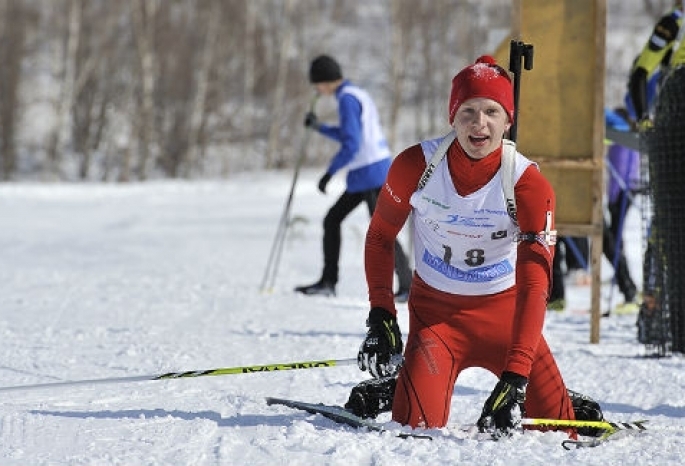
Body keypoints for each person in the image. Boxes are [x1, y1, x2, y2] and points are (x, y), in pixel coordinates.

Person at [344, 56, 602, 438]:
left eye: (491, 111)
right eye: (467, 111)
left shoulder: (528, 184)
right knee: (415, 428)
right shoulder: (416, 165)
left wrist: (515, 377)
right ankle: (394, 389)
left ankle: (546, 393)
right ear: (452, 116)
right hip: (437, 317)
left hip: (505, 315)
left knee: (556, 428)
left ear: (507, 120)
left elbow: (535, 284)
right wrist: (381, 315)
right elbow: (381, 235)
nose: (478, 123)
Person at [294, 55, 413, 300]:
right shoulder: (354, 93)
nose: (317, 90)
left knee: (381, 231)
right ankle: (328, 282)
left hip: (370, 173)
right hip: (368, 171)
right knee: (333, 220)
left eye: (316, 85)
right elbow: (350, 134)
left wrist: (329, 173)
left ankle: (408, 286)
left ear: (324, 82)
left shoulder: (347, 100)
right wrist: (319, 127)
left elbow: (351, 143)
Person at [603, 107, 639, 313]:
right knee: (615, 240)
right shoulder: (625, 134)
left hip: (621, 193)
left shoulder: (621, 127)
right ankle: (627, 287)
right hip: (622, 192)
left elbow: (604, 114)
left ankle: (629, 290)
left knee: (614, 241)